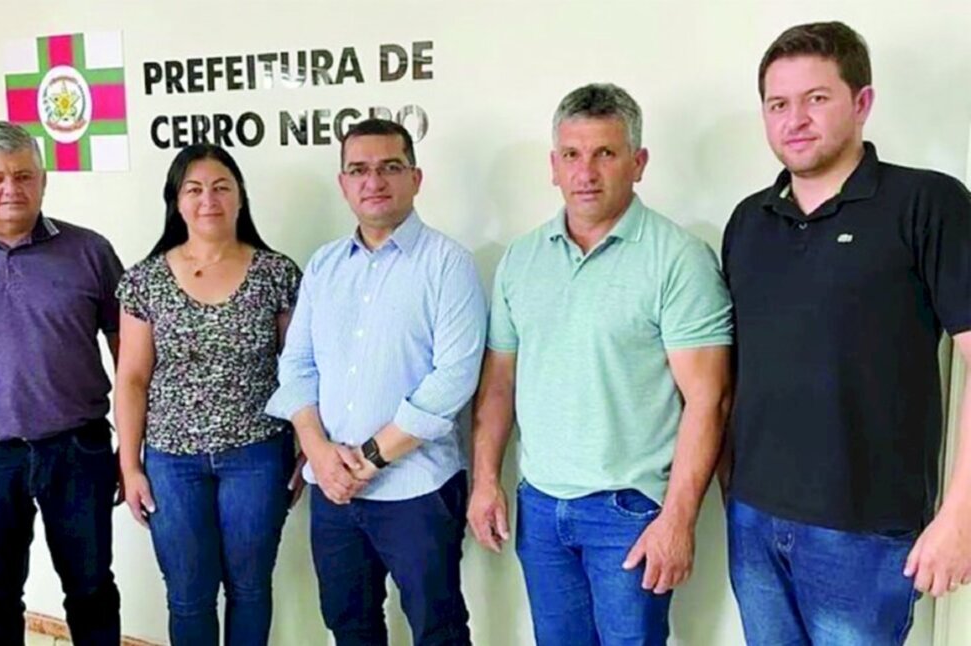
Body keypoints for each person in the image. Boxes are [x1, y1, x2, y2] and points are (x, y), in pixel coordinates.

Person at [722, 21, 971, 645]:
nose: (795, 119)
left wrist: (960, 516)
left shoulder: (926, 204)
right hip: (754, 521)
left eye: (817, 98)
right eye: (778, 104)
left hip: (863, 535)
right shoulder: (749, 221)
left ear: (862, 102)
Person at [467, 83, 734, 645]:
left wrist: (678, 520)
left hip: (628, 511)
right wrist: (486, 481)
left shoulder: (679, 260)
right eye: (572, 155)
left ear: (638, 163)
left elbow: (709, 400)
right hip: (539, 506)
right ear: (554, 167)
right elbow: (499, 385)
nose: (585, 172)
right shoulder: (522, 258)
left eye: (605, 154)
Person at [266, 118, 486, 646]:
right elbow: (295, 367)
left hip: (418, 490)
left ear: (415, 177)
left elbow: (453, 379)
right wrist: (318, 452)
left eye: (390, 167)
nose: (374, 181)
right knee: (349, 625)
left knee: (438, 629)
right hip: (333, 493)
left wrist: (366, 460)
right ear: (343, 184)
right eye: (359, 170)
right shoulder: (324, 266)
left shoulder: (448, 264)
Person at [115, 144, 302, 646]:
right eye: (193, 189)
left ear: (240, 198)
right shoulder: (145, 279)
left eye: (221, 187)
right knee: (188, 595)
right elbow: (131, 377)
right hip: (171, 462)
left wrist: (308, 446)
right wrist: (130, 466)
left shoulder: (276, 274)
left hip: (258, 454)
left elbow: (301, 369)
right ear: (176, 202)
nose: (208, 199)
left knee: (249, 588)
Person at [0, 120, 123, 645]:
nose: (10, 189)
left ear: (43, 180)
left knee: (91, 587)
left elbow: (129, 353)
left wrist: (133, 447)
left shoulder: (90, 252)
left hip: (77, 449)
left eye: (23, 175)